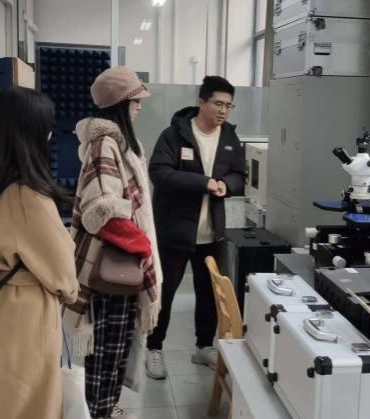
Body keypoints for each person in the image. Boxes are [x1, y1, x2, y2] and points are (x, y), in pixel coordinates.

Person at [0, 86, 79, 419]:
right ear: (32, 133)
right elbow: (62, 271)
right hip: (24, 314)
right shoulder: (27, 196)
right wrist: (71, 292)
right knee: (30, 402)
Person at [62, 66, 162, 419]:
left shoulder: (116, 142)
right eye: (136, 100)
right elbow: (103, 211)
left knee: (113, 352)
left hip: (119, 263)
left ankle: (103, 409)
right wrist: (143, 248)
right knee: (107, 354)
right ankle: (99, 412)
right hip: (113, 269)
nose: (140, 107)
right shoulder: (105, 143)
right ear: (121, 102)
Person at [145, 76, 245, 379]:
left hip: (212, 233)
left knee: (209, 295)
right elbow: (159, 173)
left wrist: (226, 185)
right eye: (218, 103)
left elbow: (239, 175)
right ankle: (154, 348)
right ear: (201, 101)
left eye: (228, 105)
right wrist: (204, 183)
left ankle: (203, 347)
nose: (223, 110)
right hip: (174, 231)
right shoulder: (174, 135)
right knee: (165, 293)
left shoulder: (230, 137)